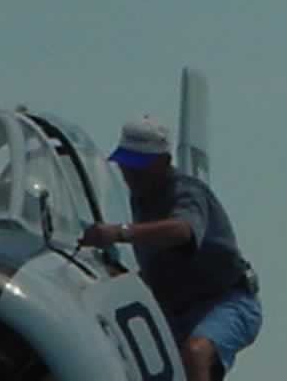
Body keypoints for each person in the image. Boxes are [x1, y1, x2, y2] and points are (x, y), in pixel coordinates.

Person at [79, 116, 262, 380]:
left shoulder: (187, 192)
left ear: (164, 162)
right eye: (126, 165)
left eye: (139, 166)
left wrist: (118, 232)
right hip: (175, 311)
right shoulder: (140, 199)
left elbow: (182, 231)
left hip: (226, 302)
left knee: (195, 353)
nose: (131, 174)